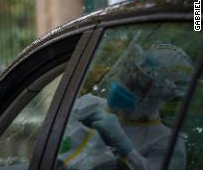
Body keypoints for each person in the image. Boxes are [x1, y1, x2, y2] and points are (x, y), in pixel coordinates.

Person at [57, 43, 193, 170]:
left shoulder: (168, 143)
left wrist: (126, 150)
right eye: (129, 73)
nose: (125, 84)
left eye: (139, 83)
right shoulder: (86, 104)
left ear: (159, 95)